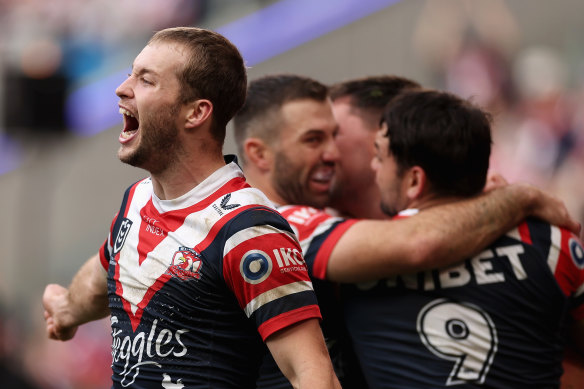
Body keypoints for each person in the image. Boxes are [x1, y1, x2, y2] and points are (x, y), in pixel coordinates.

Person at [232, 74, 581, 386]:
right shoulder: (267, 227)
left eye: (337, 136)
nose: (332, 154)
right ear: (258, 153)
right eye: (314, 139)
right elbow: (418, 242)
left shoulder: (355, 233)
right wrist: (520, 197)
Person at [42, 28, 341, 389]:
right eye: (130, 73)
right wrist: (67, 309)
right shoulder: (137, 198)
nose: (122, 89)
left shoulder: (247, 230)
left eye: (146, 80)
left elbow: (311, 372)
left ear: (196, 113)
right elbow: (105, 271)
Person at [343, 88, 584, 387]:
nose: (373, 168)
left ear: (415, 180)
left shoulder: (354, 255)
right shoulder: (553, 240)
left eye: (380, 157)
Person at [328, 76, 421, 220]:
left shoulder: (457, 231)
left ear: (382, 139)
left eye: (333, 134)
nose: (324, 153)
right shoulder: (294, 230)